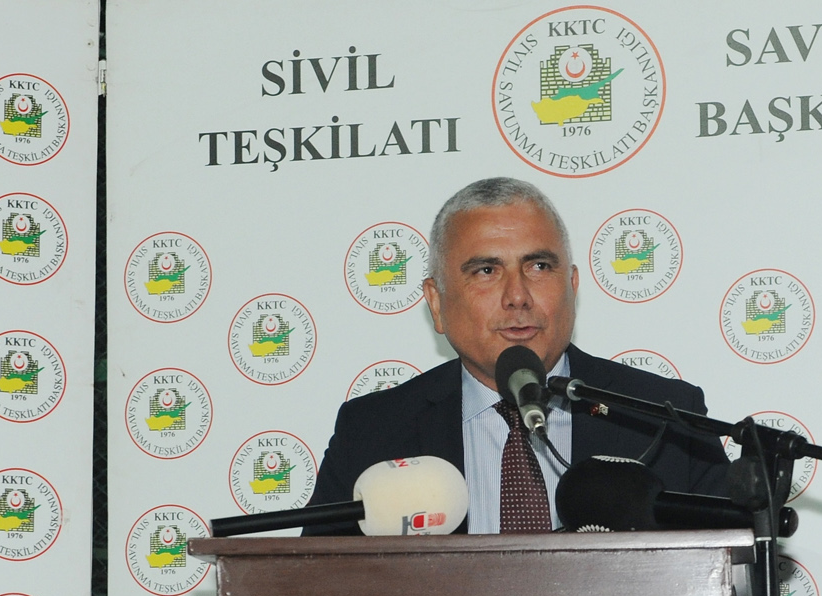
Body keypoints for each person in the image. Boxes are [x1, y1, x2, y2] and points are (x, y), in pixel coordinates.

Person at [305, 176, 730, 533]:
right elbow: (313, 590)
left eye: (539, 266)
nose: (517, 296)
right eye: (486, 271)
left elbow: (734, 585)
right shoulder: (373, 433)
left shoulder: (664, 420)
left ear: (572, 287)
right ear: (436, 302)